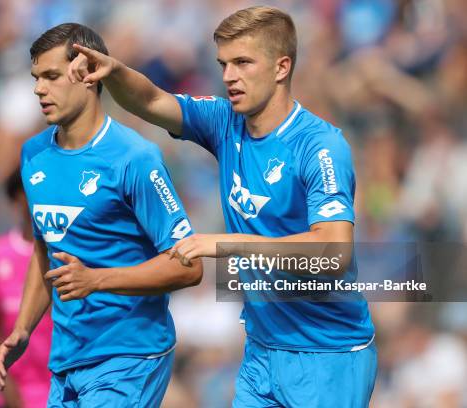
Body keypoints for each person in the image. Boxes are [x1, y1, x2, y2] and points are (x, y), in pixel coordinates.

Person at [67, 6, 377, 408]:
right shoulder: (223, 122)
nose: (229, 76)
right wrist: (113, 71)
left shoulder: (319, 147)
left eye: (243, 63)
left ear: (282, 67)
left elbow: (334, 252)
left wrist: (229, 245)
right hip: (262, 352)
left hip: (329, 356)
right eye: (224, 64)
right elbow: (149, 99)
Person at [0, 23, 202, 408]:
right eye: (36, 78)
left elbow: (189, 267)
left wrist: (97, 280)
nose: (39, 89)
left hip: (129, 355)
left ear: (88, 74)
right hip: (68, 360)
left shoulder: (135, 158)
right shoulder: (33, 156)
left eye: (52, 76)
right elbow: (46, 250)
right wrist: (23, 328)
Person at [0, 170, 53, 408]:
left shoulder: (65, 254)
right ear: (15, 199)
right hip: (15, 394)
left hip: (60, 389)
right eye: (27, 194)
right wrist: (7, 386)